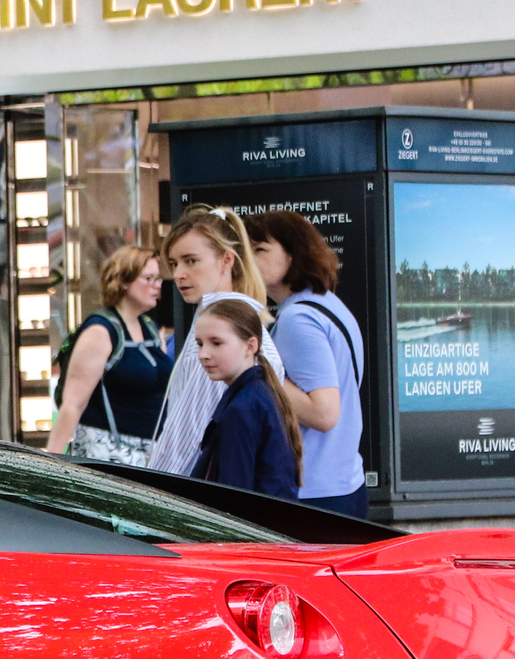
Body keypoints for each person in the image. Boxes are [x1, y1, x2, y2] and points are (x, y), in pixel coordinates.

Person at [144, 203, 286, 477]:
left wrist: (154, 490)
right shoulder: (234, 322)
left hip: (205, 492)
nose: (178, 274)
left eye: (191, 260)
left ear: (227, 260)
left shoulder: (220, 329)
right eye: (174, 264)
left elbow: (187, 435)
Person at [251, 209, 369, 517]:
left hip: (313, 491)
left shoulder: (297, 317)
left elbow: (323, 412)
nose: (249, 261)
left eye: (260, 250)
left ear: (293, 253)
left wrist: (258, 370)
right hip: (343, 482)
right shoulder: (328, 304)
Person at [46, 244, 171, 462]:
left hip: (152, 453)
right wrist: (51, 465)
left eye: (159, 279)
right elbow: (73, 403)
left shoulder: (150, 328)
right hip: (109, 453)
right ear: (123, 281)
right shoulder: (101, 331)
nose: (157, 287)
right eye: (149, 279)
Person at [191, 297, 301, 499]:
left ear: (250, 346)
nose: (204, 354)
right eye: (200, 344)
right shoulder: (260, 394)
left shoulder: (242, 407)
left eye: (216, 343)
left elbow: (234, 495)